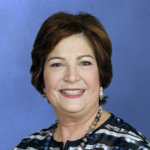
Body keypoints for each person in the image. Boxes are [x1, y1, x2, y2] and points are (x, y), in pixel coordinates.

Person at [13, 12, 150, 150]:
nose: (72, 77)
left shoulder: (129, 145)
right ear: (41, 76)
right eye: (57, 64)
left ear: (101, 74)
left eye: (85, 63)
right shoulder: (29, 146)